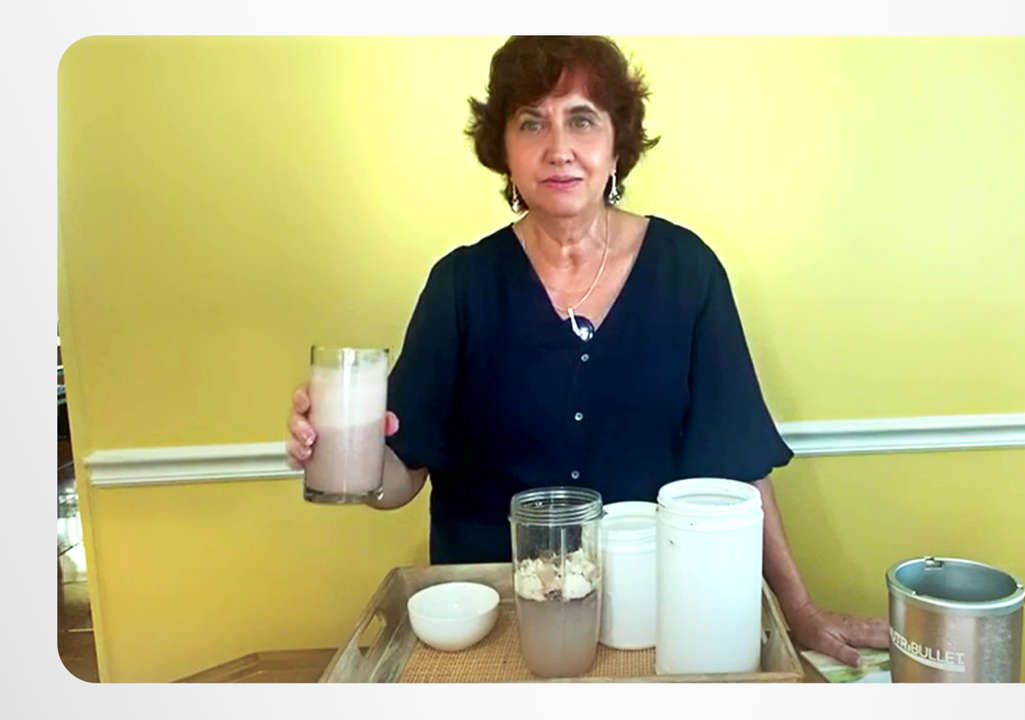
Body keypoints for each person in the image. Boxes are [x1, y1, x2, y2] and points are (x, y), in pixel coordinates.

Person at [286, 36, 889, 666]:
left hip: (651, 617)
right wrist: (338, 451)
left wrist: (799, 608)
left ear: (616, 143)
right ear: (503, 150)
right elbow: (398, 479)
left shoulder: (688, 272)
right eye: (531, 123)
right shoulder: (460, 285)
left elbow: (739, 466)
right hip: (497, 623)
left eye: (582, 120)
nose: (559, 149)